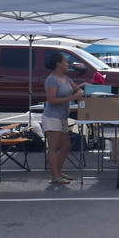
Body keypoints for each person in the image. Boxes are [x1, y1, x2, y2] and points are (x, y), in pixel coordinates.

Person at [43, 52, 84, 184]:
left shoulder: (66, 78)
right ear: (58, 64)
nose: (68, 64)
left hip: (63, 116)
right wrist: (71, 98)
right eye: (65, 61)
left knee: (66, 145)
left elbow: (79, 90)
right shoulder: (52, 80)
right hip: (52, 117)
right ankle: (54, 176)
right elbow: (51, 100)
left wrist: (79, 93)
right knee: (53, 146)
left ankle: (59, 172)